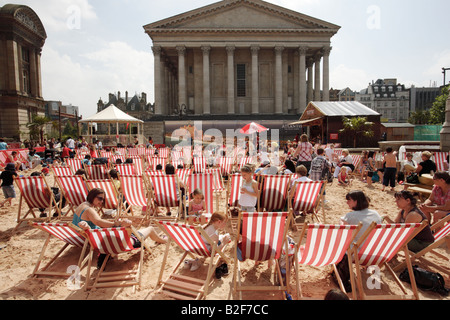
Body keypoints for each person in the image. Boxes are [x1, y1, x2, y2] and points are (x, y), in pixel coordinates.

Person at [73, 188, 167, 267]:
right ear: (92, 196)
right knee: (149, 229)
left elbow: (97, 222)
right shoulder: (89, 210)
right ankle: (163, 240)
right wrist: (117, 224)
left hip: (89, 239)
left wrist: (116, 223)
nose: (101, 201)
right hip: (107, 242)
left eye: (103, 199)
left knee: (127, 229)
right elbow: (99, 221)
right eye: (100, 198)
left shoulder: (82, 206)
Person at [335, 191, 382, 292]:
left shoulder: (351, 216)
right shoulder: (376, 214)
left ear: (356, 201)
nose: (347, 202)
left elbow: (341, 231)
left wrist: (341, 221)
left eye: (349, 200)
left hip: (356, 254)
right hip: (374, 254)